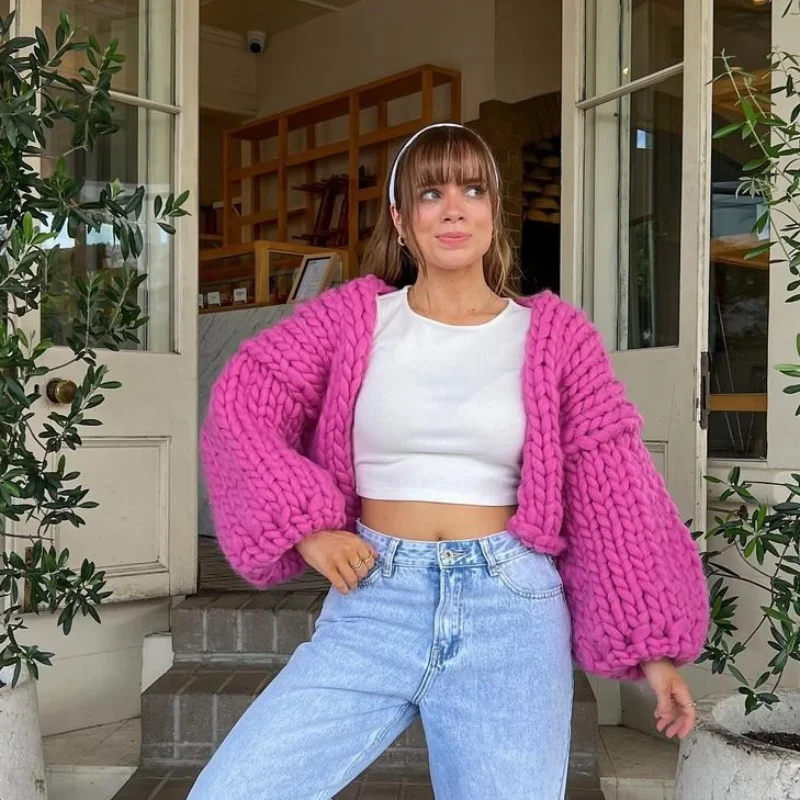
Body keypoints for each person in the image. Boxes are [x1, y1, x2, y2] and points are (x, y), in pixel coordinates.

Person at [191, 123, 710, 800]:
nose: (454, 209)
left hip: (511, 615)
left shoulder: (555, 338)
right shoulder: (351, 320)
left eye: (472, 190)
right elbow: (242, 406)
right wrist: (308, 528)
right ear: (401, 219)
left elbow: (613, 486)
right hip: (375, 599)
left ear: (494, 212)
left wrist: (655, 655)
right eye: (431, 193)